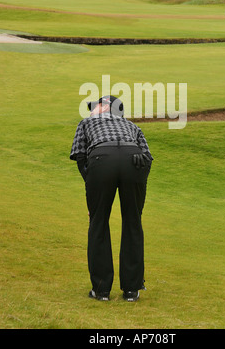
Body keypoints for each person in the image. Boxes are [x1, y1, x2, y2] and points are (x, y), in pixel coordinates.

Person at [70, 95, 153, 302]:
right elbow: (147, 158)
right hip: (134, 161)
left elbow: (80, 156)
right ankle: (132, 291)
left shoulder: (86, 123)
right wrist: (139, 187)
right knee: (133, 222)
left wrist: (91, 190)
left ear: (106, 107)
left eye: (95, 106)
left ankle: (101, 290)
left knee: (98, 223)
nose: (91, 110)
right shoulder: (132, 126)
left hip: (101, 159)